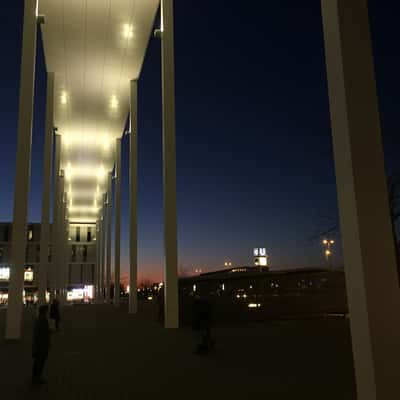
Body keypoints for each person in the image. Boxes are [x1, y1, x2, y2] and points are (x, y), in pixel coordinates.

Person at [32, 305, 51, 385]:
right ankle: (37, 379)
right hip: (41, 345)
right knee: (40, 362)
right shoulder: (42, 320)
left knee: (38, 362)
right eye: (47, 311)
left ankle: (35, 377)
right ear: (45, 311)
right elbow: (43, 333)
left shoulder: (39, 319)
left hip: (39, 345)